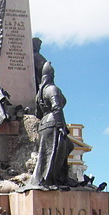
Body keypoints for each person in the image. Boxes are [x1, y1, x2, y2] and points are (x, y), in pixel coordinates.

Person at [30, 61, 76, 189]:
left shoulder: (40, 93)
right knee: (56, 151)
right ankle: (50, 180)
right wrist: (61, 126)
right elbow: (57, 107)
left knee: (50, 152)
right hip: (54, 122)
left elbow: (37, 113)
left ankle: (51, 178)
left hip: (44, 123)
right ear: (51, 75)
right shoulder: (52, 89)